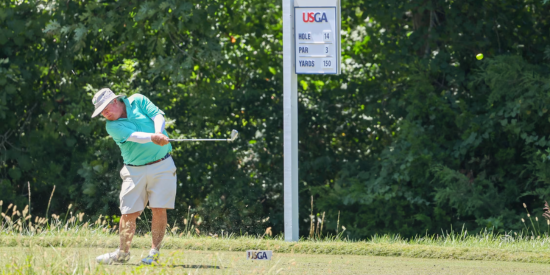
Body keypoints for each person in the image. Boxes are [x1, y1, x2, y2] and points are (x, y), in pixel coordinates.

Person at [90, 88, 176, 265]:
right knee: (128, 213)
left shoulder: (138, 100)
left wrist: (159, 132)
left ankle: (154, 253)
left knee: (159, 209)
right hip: (133, 170)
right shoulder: (112, 126)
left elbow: (158, 115)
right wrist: (154, 137)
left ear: (115, 101)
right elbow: (135, 137)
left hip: (162, 164)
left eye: (105, 108)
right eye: (101, 112)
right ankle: (122, 253)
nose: (104, 114)